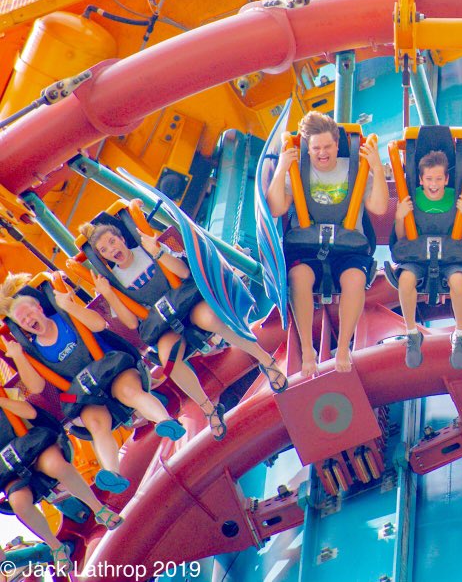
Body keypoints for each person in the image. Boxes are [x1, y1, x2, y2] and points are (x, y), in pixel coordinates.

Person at [80, 221, 288, 441]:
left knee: (212, 319)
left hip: (187, 306)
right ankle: (208, 408)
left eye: (112, 241)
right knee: (169, 362)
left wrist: (158, 252)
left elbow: (182, 271)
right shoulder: (115, 281)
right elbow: (132, 323)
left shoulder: (147, 249)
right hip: (164, 326)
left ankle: (266, 361)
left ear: (121, 238)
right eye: (104, 250)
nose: (112, 250)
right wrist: (109, 294)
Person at [0, 274, 186, 494]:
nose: (28, 319)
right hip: (85, 394)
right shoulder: (34, 350)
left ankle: (165, 422)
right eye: (22, 320)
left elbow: (99, 324)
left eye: (28, 312)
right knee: (97, 425)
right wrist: (18, 356)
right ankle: (112, 473)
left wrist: (69, 306)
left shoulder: (66, 318)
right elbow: (38, 387)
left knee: (128, 392)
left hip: (112, 370)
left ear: (40, 309)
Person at [266, 111, 388, 375]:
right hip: (306, 246)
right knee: (298, 277)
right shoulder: (298, 170)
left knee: (354, 279)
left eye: (328, 147)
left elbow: (378, 207)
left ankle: (344, 347)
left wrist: (377, 167)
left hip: (348, 248)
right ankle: (308, 349)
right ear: (307, 149)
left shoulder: (355, 168)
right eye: (316, 148)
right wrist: (281, 169)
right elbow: (276, 208)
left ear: (336, 144)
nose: (323, 153)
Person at [0, 393, 122, 575]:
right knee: (19, 503)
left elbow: (30, 412)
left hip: (34, 446)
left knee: (57, 466)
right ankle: (56, 547)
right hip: (9, 472)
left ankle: (99, 509)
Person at [394, 150, 462, 369]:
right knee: (406, 280)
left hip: (451, 256)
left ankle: (459, 335)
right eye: (429, 179)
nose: (434, 184)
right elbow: (401, 238)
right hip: (417, 256)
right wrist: (399, 217)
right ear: (421, 180)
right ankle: (412, 333)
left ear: (446, 179)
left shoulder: (455, 198)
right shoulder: (413, 198)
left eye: (439, 179)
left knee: (458, 281)